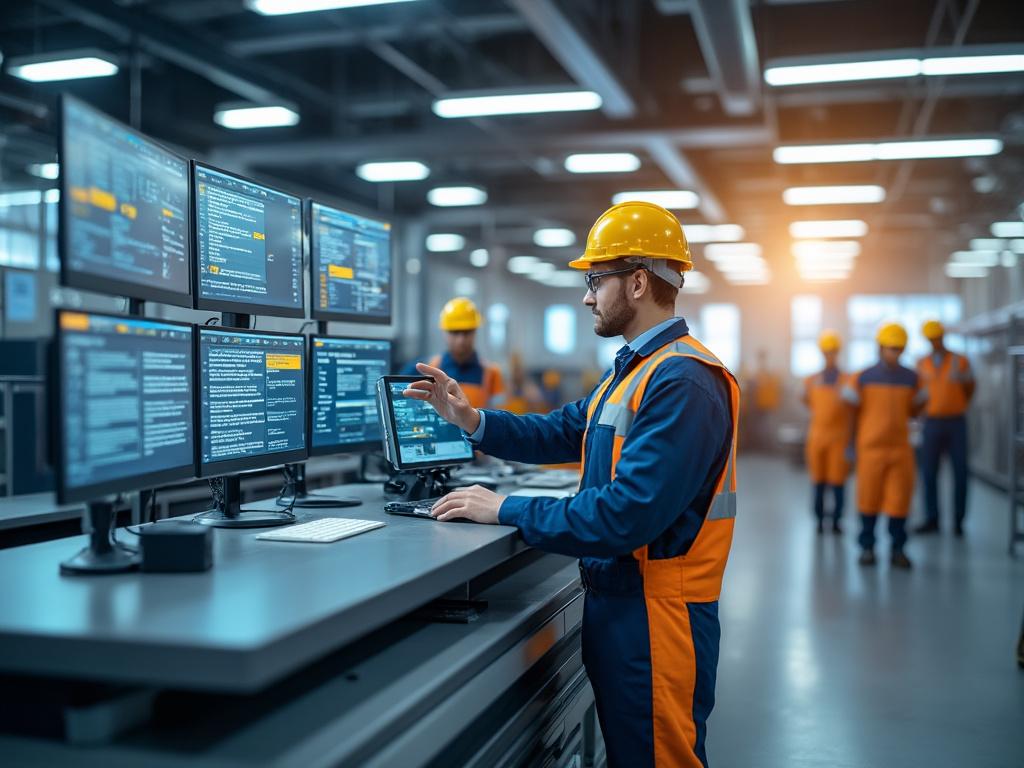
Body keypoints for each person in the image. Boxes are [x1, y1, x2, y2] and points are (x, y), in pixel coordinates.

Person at [405, 200, 739, 768]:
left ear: (637, 282)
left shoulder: (683, 381)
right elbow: (560, 430)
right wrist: (471, 419)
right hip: (622, 605)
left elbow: (623, 517)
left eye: (595, 280)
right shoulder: (633, 371)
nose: (586, 296)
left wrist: (507, 508)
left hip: (656, 619)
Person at [842, 323, 927, 569]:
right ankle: (867, 547)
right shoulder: (863, 377)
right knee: (869, 499)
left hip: (901, 449)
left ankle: (898, 549)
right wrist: (850, 445)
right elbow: (850, 412)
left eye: (900, 349)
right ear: (880, 348)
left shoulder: (912, 378)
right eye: (892, 348)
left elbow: (919, 406)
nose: (896, 353)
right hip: (870, 449)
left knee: (899, 501)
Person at [915, 320, 974, 536]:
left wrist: (956, 404)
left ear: (943, 337)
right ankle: (932, 519)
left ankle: (958, 521)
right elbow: (918, 393)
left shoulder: (961, 361)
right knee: (929, 472)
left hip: (956, 422)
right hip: (931, 423)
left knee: (960, 472)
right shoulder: (921, 363)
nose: (935, 342)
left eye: (938, 338)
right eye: (931, 340)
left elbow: (969, 388)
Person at [406, 297, 504, 409]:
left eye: (466, 332)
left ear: (475, 331)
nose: (460, 340)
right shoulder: (421, 370)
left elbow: (500, 416)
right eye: (455, 332)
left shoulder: (492, 373)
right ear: (444, 332)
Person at [801, 330, 852, 534]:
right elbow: (806, 400)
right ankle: (820, 521)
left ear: (837, 353)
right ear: (822, 353)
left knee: (838, 482)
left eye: (833, 352)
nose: (829, 355)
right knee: (819, 482)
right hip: (817, 437)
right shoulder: (812, 380)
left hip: (840, 438)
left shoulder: (848, 380)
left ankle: (837, 521)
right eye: (826, 352)